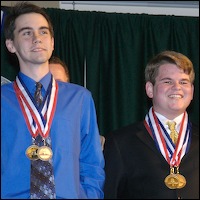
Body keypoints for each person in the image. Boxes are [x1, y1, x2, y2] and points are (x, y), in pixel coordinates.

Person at [1, 2, 105, 199]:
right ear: (10, 44)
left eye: (43, 32)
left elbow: (91, 162)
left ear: (52, 42)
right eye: (26, 33)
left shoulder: (80, 99)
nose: (37, 39)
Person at [103, 50, 199, 199]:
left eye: (183, 82)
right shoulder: (119, 142)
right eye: (167, 81)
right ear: (150, 89)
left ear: (192, 91)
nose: (177, 87)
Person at [49, 55, 106, 150]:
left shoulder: (94, 143)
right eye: (47, 83)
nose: (53, 89)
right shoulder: (25, 135)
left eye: (60, 83)